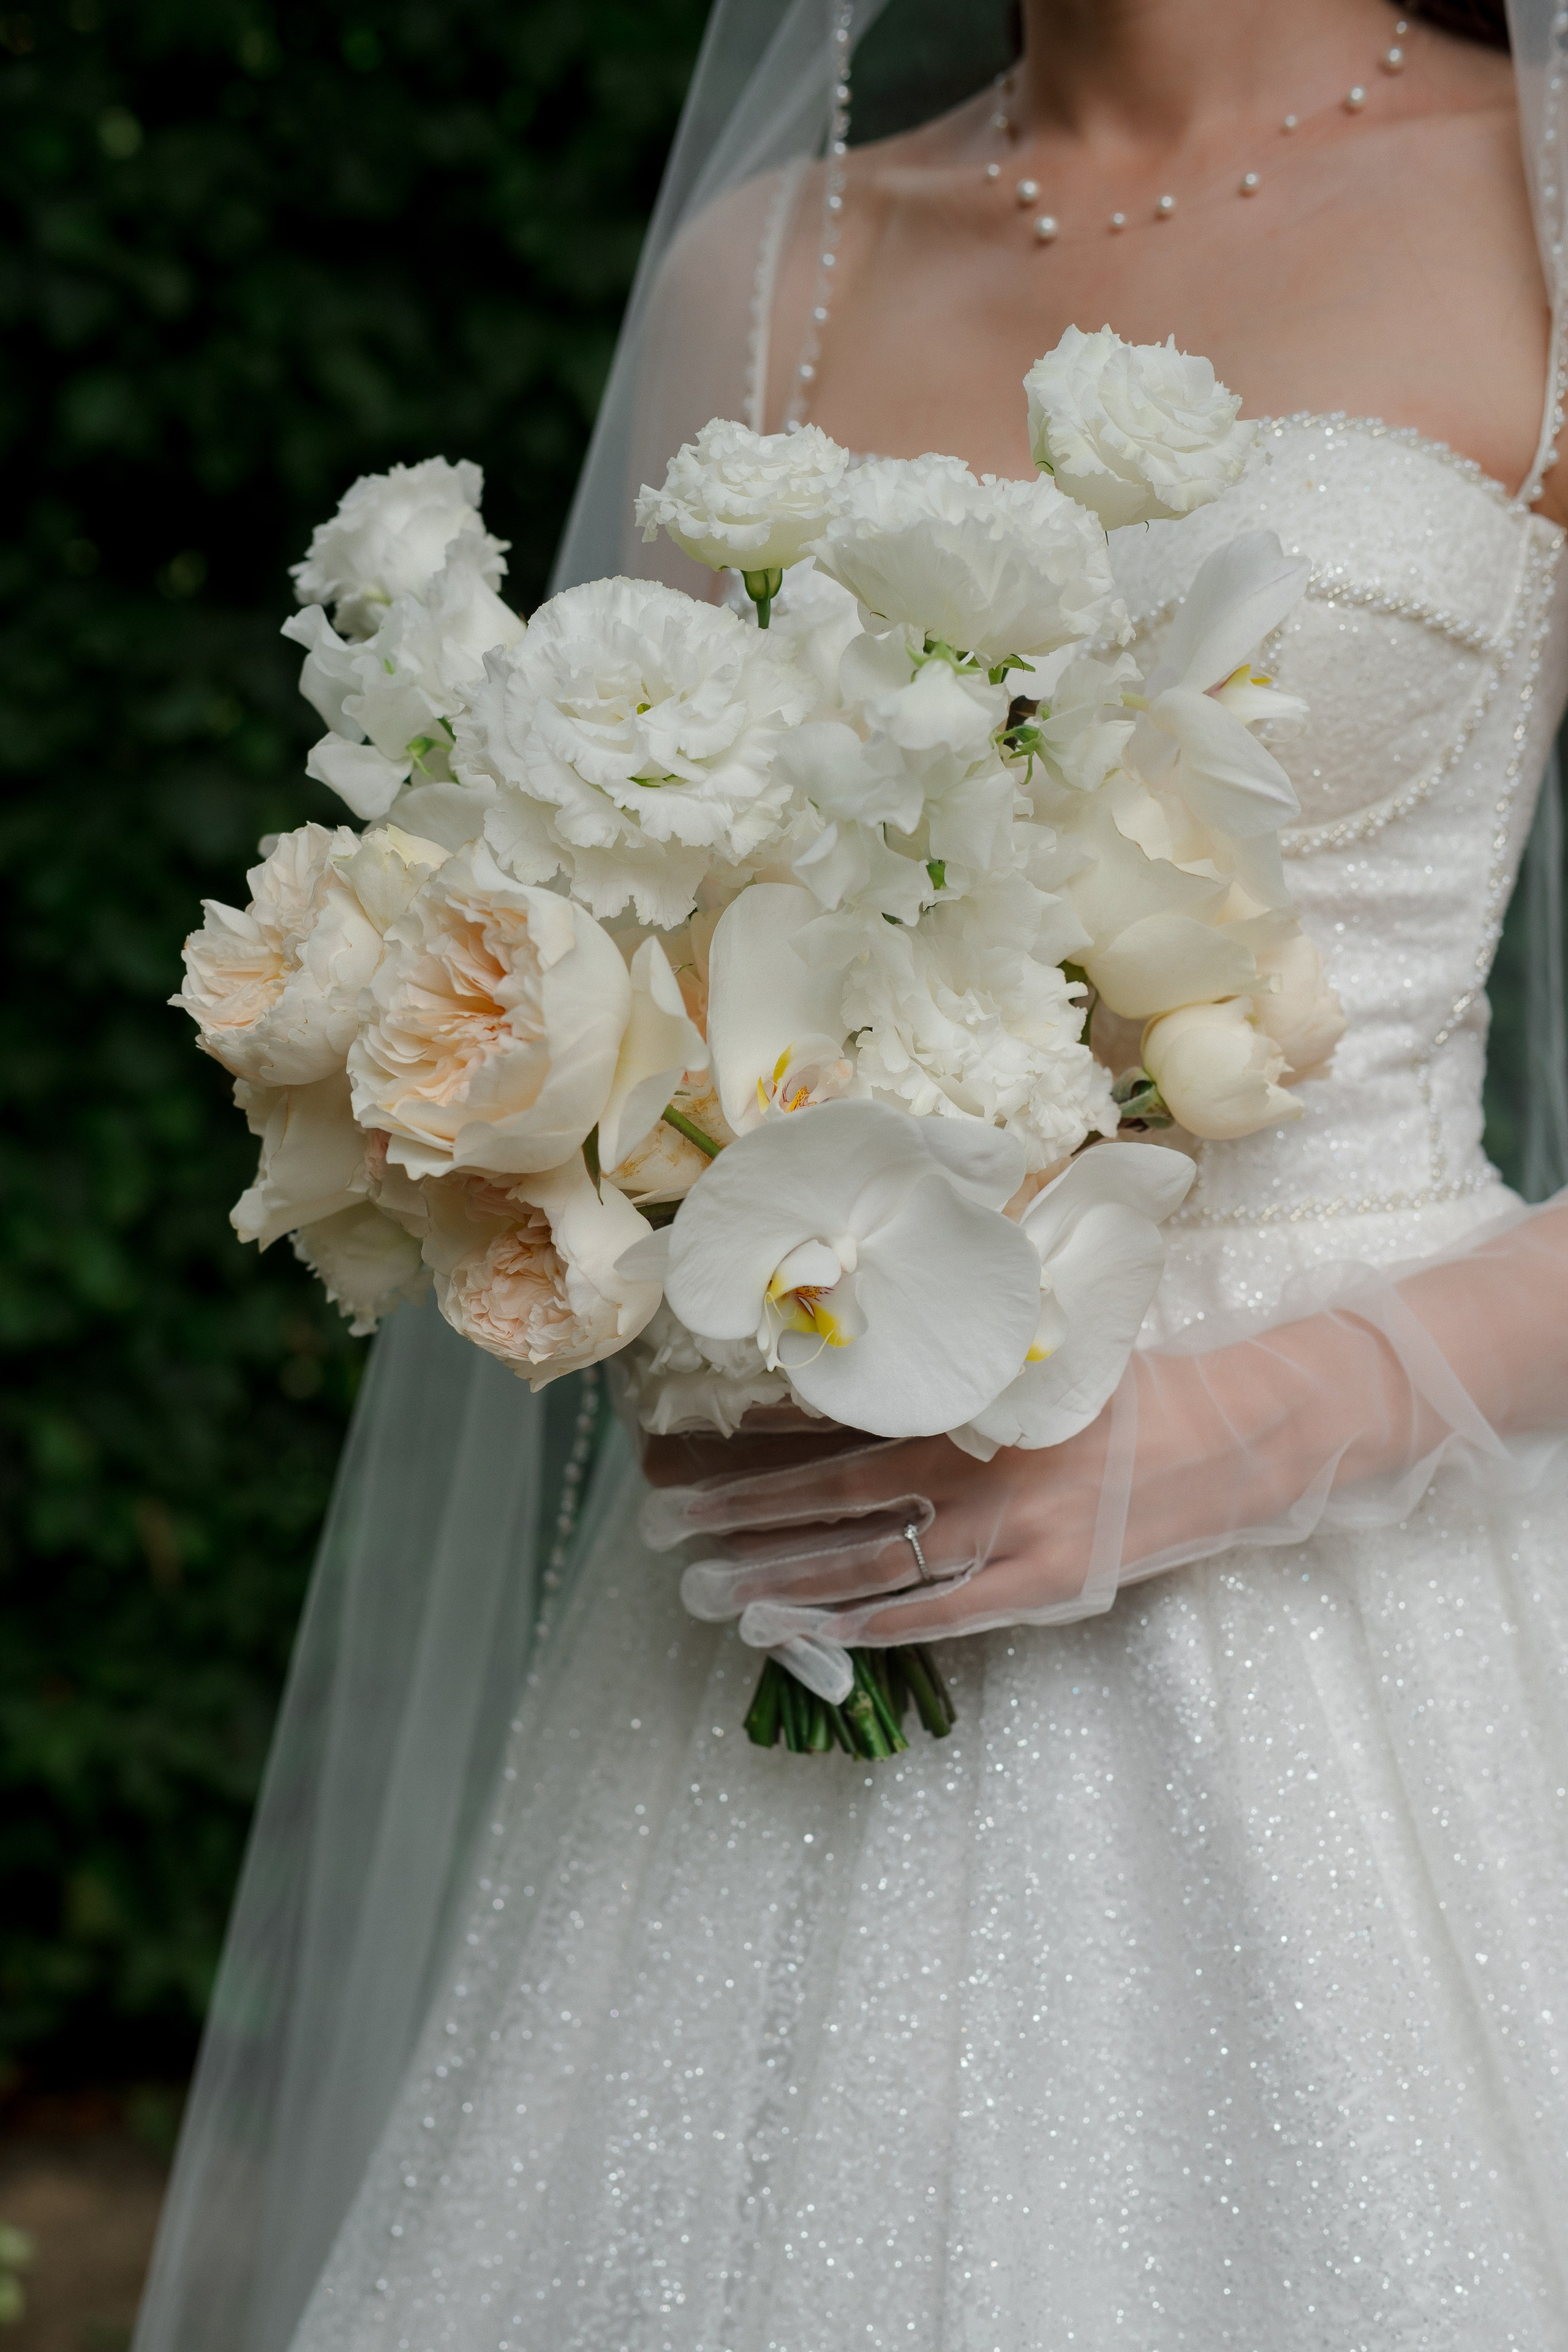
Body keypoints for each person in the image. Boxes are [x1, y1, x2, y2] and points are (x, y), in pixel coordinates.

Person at [133, 2, 1568, 2346]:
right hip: (793, 1576)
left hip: (1377, 1612)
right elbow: (648, 933)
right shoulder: (765, 269)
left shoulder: (1551, 202)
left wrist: (1219, 1437)